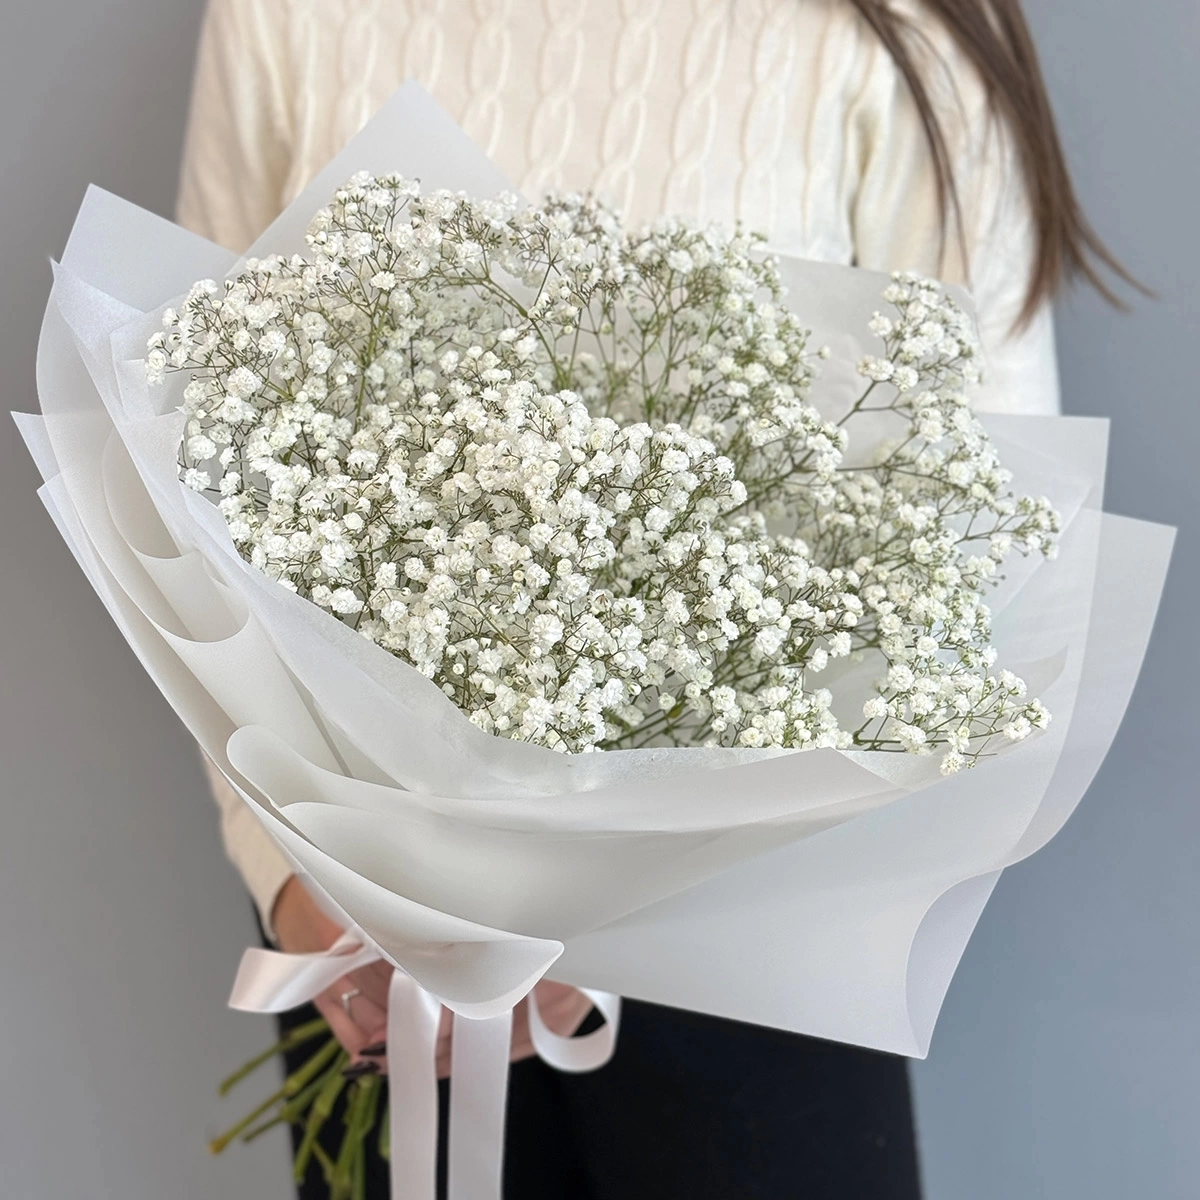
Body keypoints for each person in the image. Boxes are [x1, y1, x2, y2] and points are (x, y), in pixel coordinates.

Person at [177, 2, 1133, 1196]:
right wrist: (298, 881)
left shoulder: (898, 33)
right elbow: (188, 452)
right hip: (377, 959)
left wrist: (620, 920)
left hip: (752, 983)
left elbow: (978, 537)